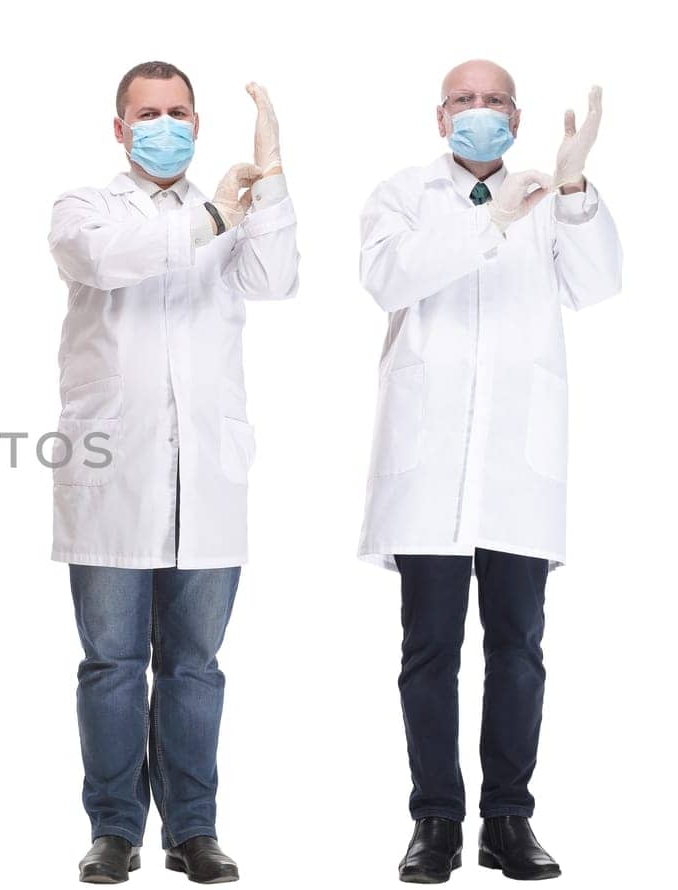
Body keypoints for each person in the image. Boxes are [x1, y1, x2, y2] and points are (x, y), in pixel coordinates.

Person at [357, 60, 621, 884]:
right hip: (428, 462)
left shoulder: (550, 198)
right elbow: (388, 278)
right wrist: (490, 220)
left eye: (495, 100)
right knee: (428, 648)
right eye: (465, 101)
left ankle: (509, 820)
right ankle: (435, 822)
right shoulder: (402, 196)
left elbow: (600, 284)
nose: (481, 112)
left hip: (516, 462)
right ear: (441, 118)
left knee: (518, 648)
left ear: (519, 113)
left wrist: (574, 194)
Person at [47, 62, 298, 885]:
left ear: (199, 122)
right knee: (112, 664)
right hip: (113, 472)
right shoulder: (85, 208)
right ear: (119, 129)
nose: (166, 125)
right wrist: (219, 214)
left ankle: (193, 828)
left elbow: (274, 278)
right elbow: (103, 263)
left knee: (194, 665)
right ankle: (114, 829)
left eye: (180, 112)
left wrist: (272, 180)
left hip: (209, 474)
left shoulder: (229, 205)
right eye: (147, 114)